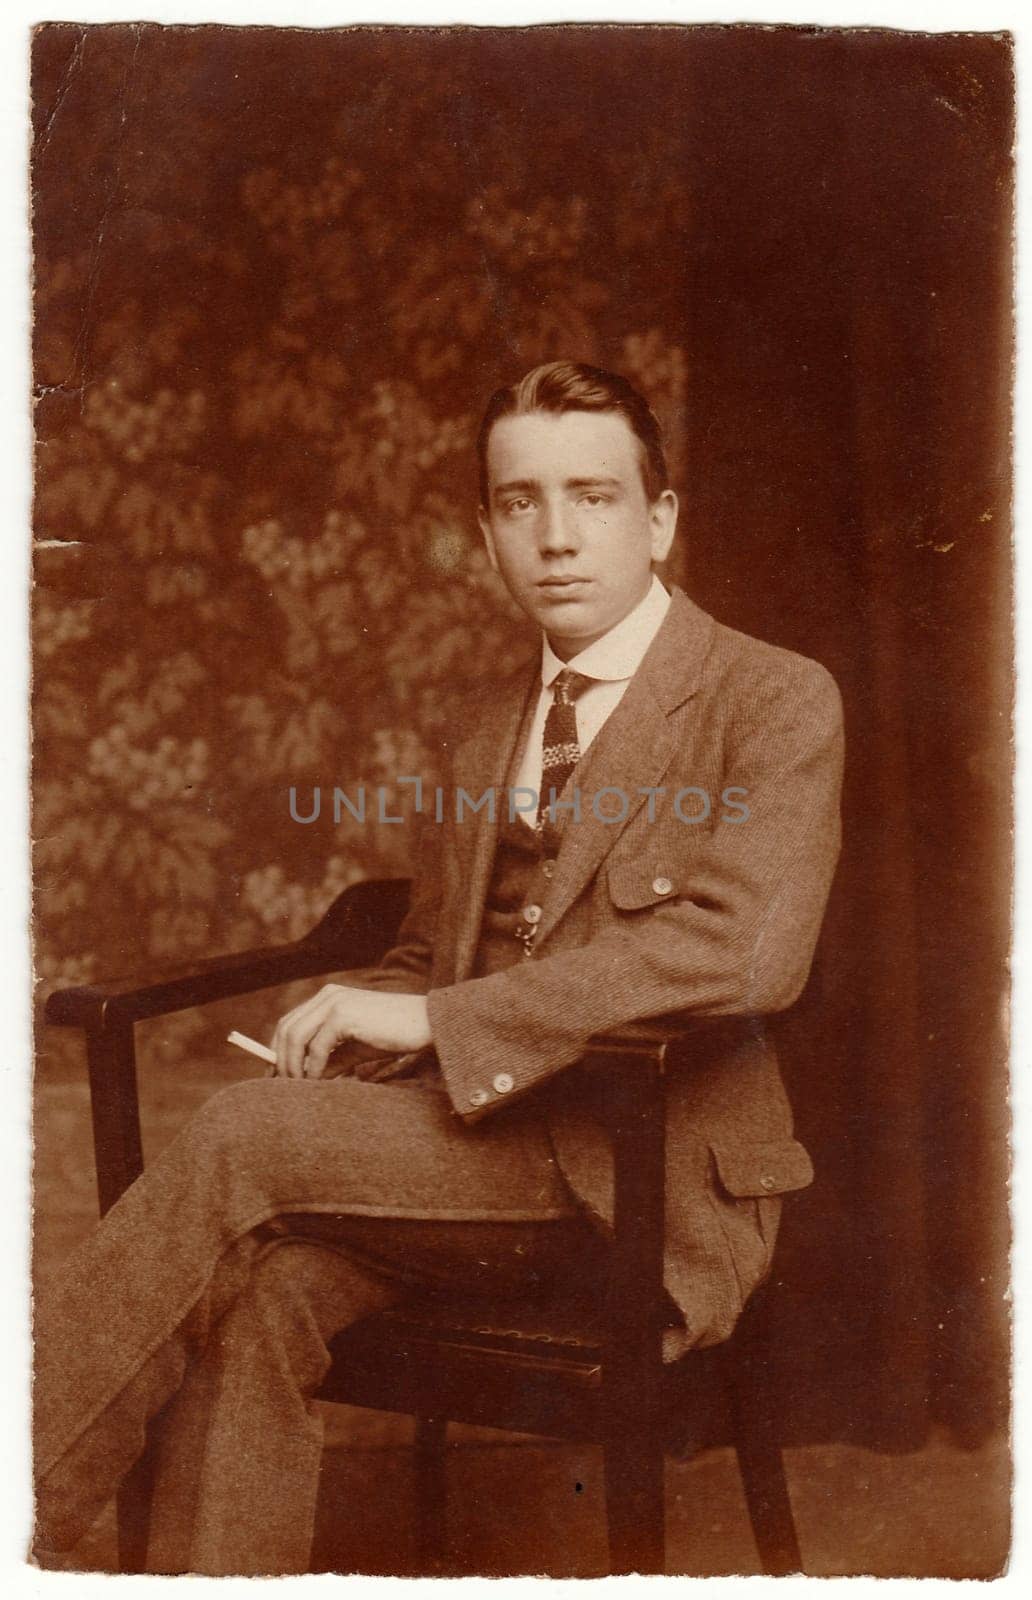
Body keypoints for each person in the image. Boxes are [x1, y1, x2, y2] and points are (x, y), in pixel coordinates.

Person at [33, 361, 844, 1575]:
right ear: (486, 532)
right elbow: (438, 948)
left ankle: (15, 1498)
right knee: (262, 1291)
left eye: (595, 496)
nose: (557, 536)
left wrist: (442, 1021)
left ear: (661, 518)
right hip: (475, 1158)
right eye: (520, 503)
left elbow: (743, 950)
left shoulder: (769, 699)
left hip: (641, 1174)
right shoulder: (483, 721)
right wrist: (368, 1017)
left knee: (239, 1140)